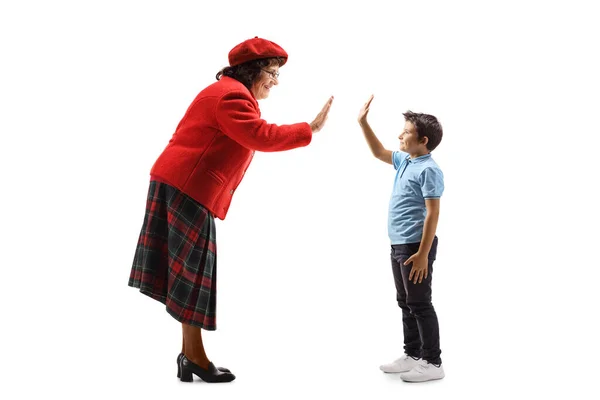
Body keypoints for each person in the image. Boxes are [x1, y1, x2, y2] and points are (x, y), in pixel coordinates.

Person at [128, 37, 334, 383]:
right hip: (187, 186)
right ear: (252, 70)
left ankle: (189, 354)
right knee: (192, 275)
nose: (275, 80)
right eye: (271, 72)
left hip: (181, 184)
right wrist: (309, 129)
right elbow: (261, 136)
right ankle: (193, 355)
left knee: (189, 274)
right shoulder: (232, 96)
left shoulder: (226, 91)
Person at [357, 95, 445, 383]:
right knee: (405, 301)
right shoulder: (407, 160)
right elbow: (379, 151)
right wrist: (363, 122)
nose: (400, 135)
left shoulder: (429, 169)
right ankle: (413, 353)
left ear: (423, 140)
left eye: (406, 132)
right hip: (398, 245)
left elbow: (432, 214)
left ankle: (433, 362)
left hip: (415, 247)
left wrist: (422, 253)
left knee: (420, 303)